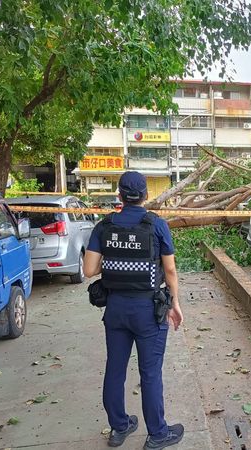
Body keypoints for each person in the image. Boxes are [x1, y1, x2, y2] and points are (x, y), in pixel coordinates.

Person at [83, 171, 184, 449]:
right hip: (149, 311)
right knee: (150, 373)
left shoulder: (104, 225)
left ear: (119, 195)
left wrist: (117, 262)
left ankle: (119, 427)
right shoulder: (157, 225)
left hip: (115, 310)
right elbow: (170, 269)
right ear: (145, 196)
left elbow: (89, 269)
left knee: (115, 369)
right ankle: (158, 434)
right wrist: (175, 304)